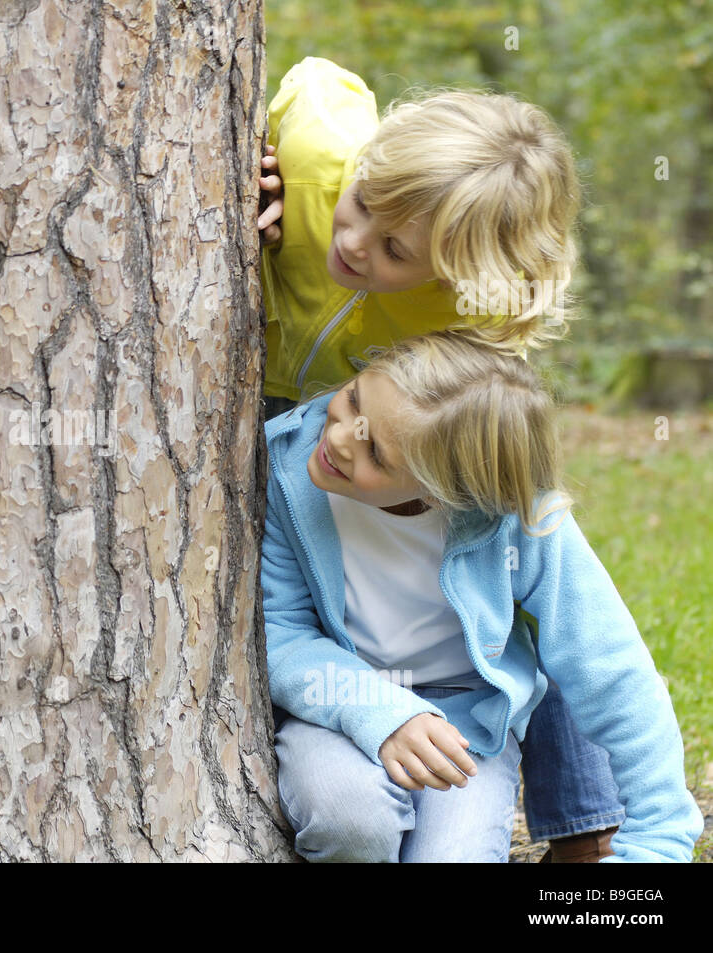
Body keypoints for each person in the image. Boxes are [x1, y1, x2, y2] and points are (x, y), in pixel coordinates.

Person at [254, 57, 624, 860]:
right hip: (274, 415)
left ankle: (584, 820)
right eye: (357, 206)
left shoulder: (468, 309)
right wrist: (253, 149)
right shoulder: (324, 152)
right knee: (292, 588)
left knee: (527, 558)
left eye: (393, 249)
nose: (351, 242)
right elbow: (316, 77)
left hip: (380, 431)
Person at [261, 332, 701, 862]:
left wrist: (659, 839)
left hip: (471, 726)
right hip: (336, 708)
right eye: (354, 400)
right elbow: (278, 629)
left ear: (449, 492)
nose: (339, 439)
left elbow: (611, 670)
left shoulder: (521, 519)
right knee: (350, 821)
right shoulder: (287, 468)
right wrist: (381, 713)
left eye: (376, 452)